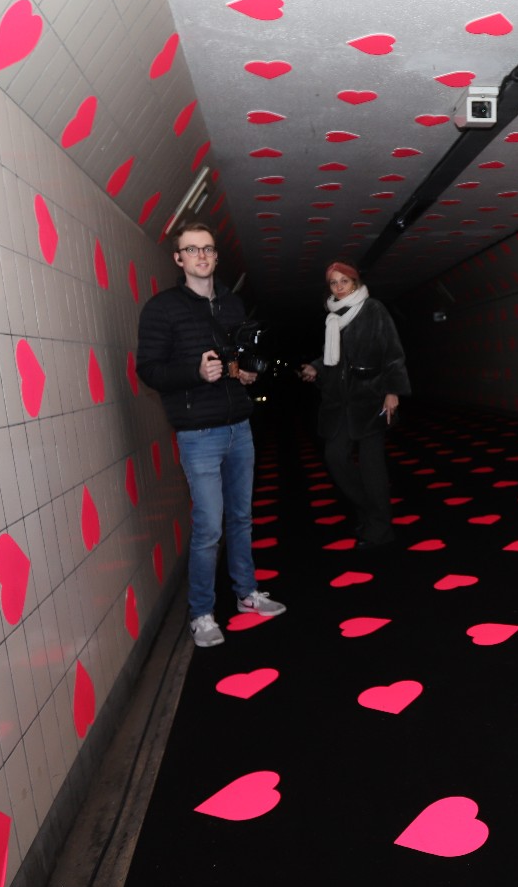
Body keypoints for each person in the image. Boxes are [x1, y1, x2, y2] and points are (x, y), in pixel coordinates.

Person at [136, 221, 285, 648]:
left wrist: (243, 374)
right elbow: (149, 370)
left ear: (216, 257)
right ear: (178, 259)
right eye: (191, 249)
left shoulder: (232, 304)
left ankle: (246, 593)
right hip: (198, 433)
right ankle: (201, 613)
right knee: (208, 529)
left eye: (207, 249)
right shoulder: (161, 309)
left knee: (241, 518)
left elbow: (234, 358)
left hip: (239, 427)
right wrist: (195, 372)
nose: (201, 256)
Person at [298, 263, 410, 550]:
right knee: (335, 457)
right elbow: (335, 357)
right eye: (333, 283)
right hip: (339, 403)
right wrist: (316, 367)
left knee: (373, 468)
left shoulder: (373, 309)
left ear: (355, 283)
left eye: (344, 281)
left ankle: (380, 530)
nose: (338, 287)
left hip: (371, 399)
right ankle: (371, 511)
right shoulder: (333, 316)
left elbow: (392, 352)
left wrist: (393, 391)